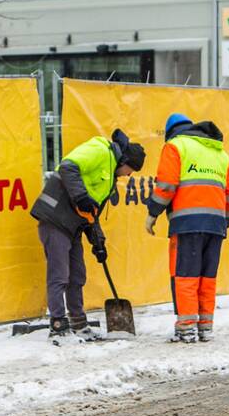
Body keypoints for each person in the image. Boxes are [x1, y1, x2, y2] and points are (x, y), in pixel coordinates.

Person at [31, 129, 146, 342]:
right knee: (60, 275)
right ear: (125, 161)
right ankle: (58, 325)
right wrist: (81, 197)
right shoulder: (100, 150)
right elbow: (68, 167)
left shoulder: (110, 176)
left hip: (72, 226)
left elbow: (92, 214)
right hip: (55, 219)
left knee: (78, 275)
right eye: (131, 170)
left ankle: (79, 324)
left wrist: (98, 242)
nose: (129, 175)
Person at [145, 113, 229, 343]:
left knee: (185, 275)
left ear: (170, 132)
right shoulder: (219, 152)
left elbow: (166, 185)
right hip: (215, 225)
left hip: (187, 223)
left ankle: (186, 327)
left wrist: (153, 213)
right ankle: (205, 327)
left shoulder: (175, 146)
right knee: (207, 277)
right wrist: (223, 220)